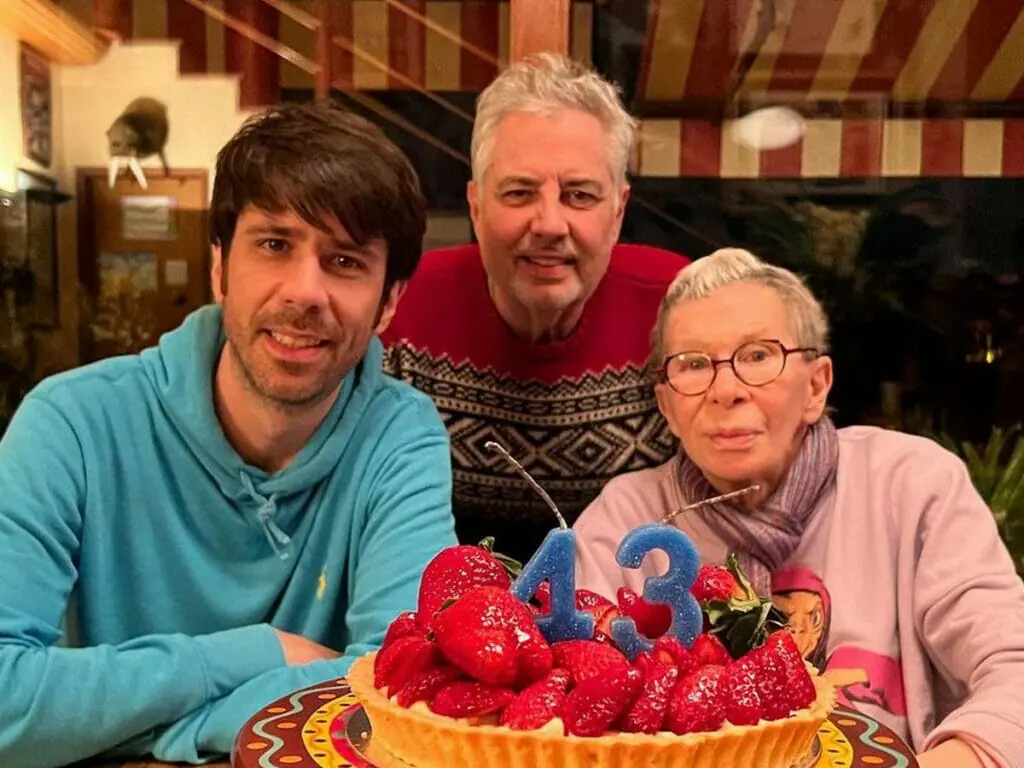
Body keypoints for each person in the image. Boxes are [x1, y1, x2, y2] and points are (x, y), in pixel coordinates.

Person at [0, 102, 457, 768]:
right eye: (274, 244)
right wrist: (253, 653)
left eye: (345, 261)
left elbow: (402, 698)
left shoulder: (402, 437)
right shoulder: (69, 424)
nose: (304, 292)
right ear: (218, 265)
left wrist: (136, 724)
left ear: (389, 301)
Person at [573, 247, 1024, 768]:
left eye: (759, 356)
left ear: (816, 386)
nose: (726, 391)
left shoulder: (912, 485)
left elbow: (1013, 665)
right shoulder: (626, 521)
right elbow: (577, 703)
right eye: (694, 365)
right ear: (667, 407)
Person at [381, 53, 689, 563]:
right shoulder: (399, 316)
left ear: (618, 212)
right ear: (477, 207)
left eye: (580, 195)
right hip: (442, 612)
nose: (549, 223)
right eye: (519, 192)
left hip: (628, 618)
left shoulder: (681, 312)